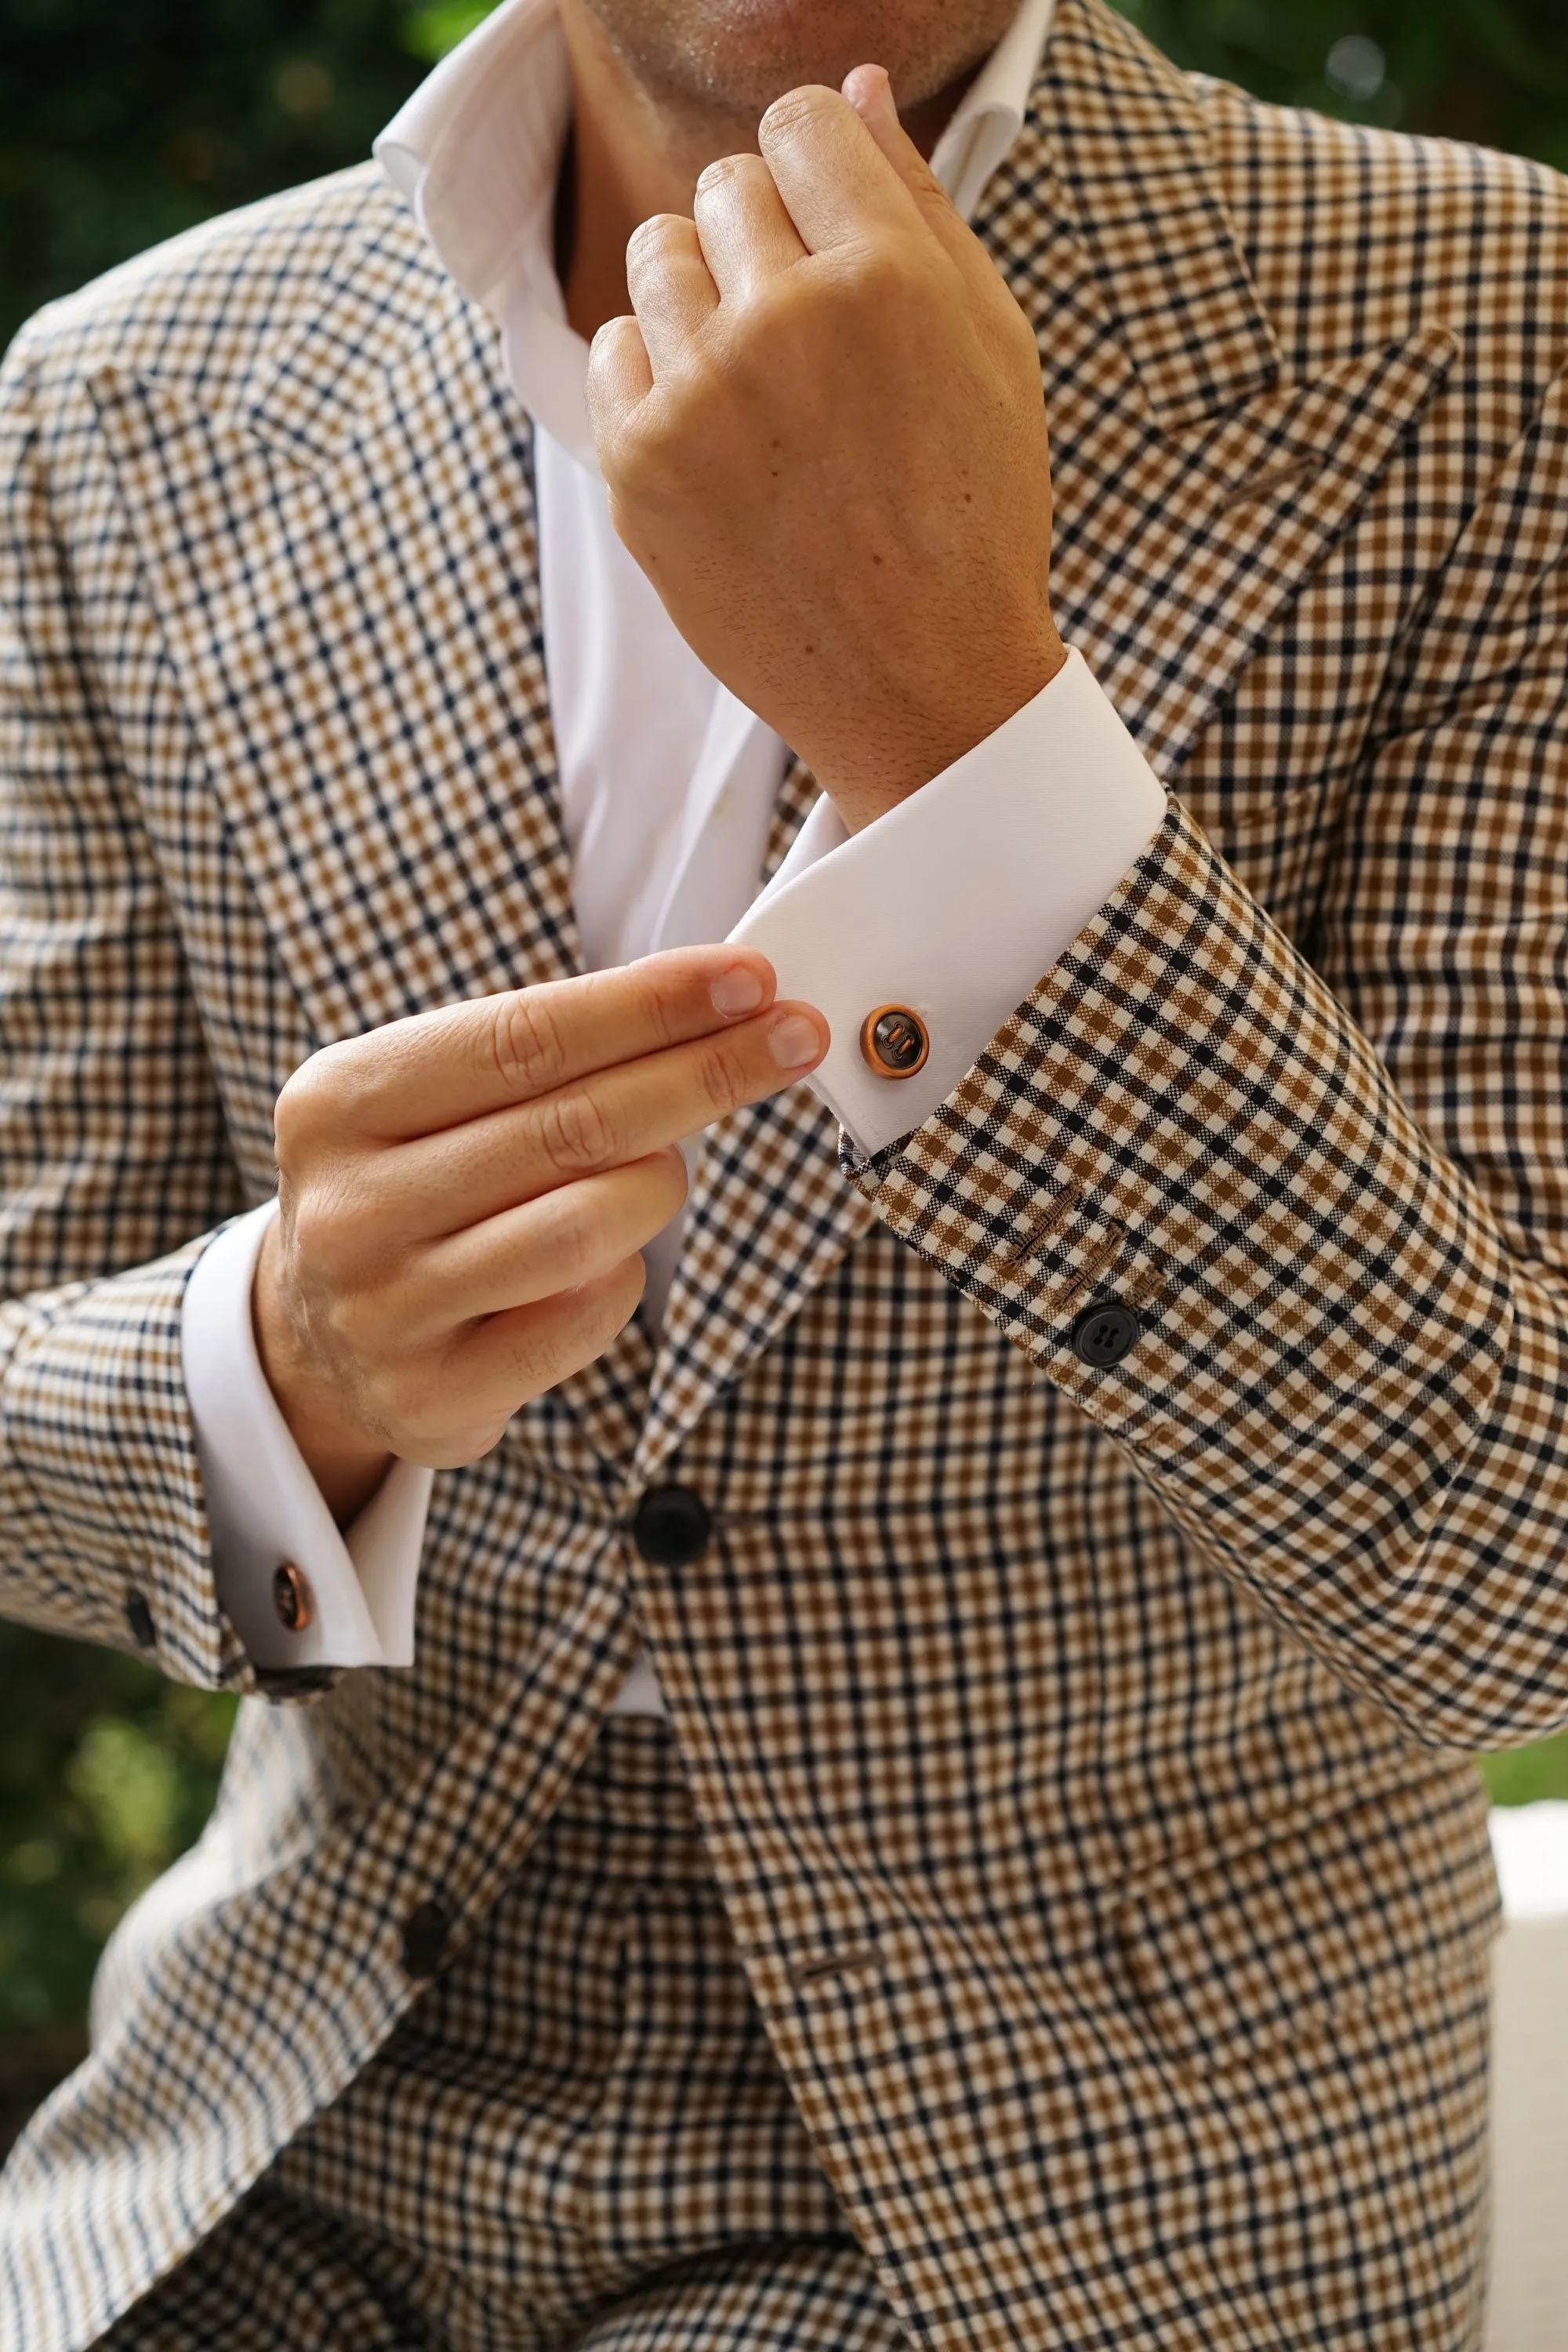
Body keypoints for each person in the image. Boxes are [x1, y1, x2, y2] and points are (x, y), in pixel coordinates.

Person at [2, 0, 1566, 2342]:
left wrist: (961, 735)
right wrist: (281, 1366)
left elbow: (1522, 1569)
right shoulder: (112, 406)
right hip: (294, 2115)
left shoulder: (1496, 333)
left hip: (1088, 2179)